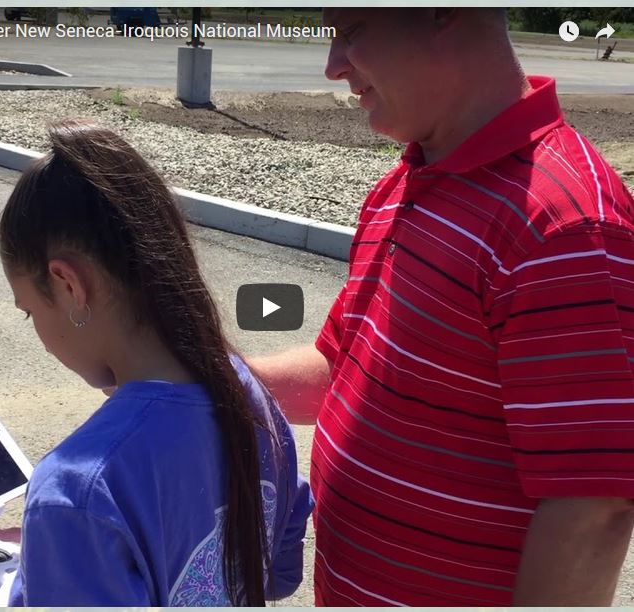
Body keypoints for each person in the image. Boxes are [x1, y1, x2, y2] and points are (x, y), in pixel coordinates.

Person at [250, 8, 634, 606]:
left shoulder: (563, 224)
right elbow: (344, 369)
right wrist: (203, 372)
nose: (332, 67)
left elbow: (591, 510)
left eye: (350, 31)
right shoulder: (406, 181)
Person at [0, 120, 312, 606]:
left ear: (69, 286)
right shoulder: (246, 390)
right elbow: (279, 572)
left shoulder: (76, 494)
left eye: (30, 310)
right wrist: (70, 553)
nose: (40, 336)